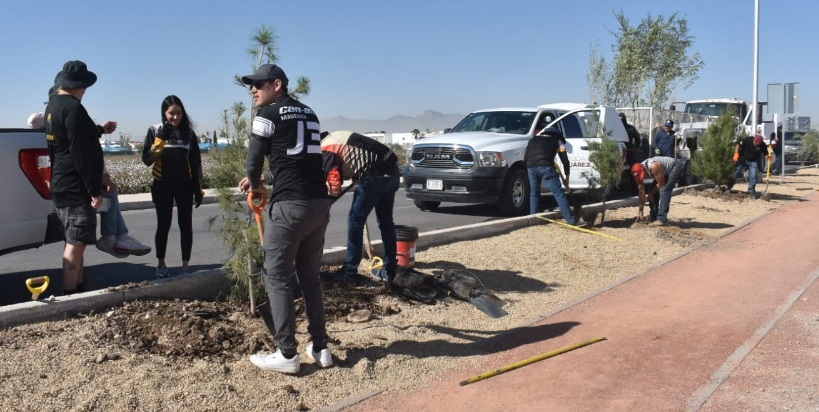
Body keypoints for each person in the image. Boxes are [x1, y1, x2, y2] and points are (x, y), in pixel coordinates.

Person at [238, 64, 333, 374]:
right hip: (318, 205)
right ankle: (321, 348)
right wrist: (266, 178)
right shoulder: (310, 114)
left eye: (258, 84)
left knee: (276, 276)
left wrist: (255, 183)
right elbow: (298, 160)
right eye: (250, 85)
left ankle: (287, 354)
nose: (253, 89)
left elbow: (253, 161)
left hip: (290, 206)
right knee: (310, 278)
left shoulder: (266, 116)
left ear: (277, 84)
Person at [30, 89, 151, 260]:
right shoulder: (60, 115)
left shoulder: (72, 120)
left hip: (70, 183)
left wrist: (99, 129)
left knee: (109, 194)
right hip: (73, 185)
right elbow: (83, 156)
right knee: (75, 244)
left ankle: (118, 236)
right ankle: (112, 238)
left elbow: (93, 153)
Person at [44, 60, 111, 294]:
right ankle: (70, 298)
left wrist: (100, 129)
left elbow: (62, 144)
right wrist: (94, 190)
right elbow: (80, 152)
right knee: (74, 246)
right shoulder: (74, 108)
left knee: (75, 243)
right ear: (82, 85)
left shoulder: (52, 107)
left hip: (61, 183)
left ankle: (78, 289)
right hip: (76, 188)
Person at [320, 130, 400, 286]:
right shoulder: (337, 137)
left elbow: (334, 181)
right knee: (386, 222)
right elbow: (356, 157)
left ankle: (349, 273)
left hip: (375, 175)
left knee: (355, 221)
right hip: (392, 171)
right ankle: (389, 269)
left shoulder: (324, 147)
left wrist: (328, 199)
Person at [141, 96, 204, 278]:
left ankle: (185, 267)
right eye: (171, 114)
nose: (175, 117)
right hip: (162, 186)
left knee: (186, 226)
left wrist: (198, 188)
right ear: (164, 113)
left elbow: (196, 162)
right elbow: (147, 160)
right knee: (163, 225)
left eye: (178, 113)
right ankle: (161, 265)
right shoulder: (155, 130)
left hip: (184, 186)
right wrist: (160, 139)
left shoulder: (189, 134)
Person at [524, 127, 587, 226]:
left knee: (534, 194)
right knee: (559, 194)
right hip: (546, 167)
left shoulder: (533, 139)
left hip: (531, 167)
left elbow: (526, 157)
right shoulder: (557, 140)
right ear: (558, 135)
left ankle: (533, 219)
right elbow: (565, 160)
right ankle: (571, 221)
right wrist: (567, 178)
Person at [631, 156, 689, 226]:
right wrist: (640, 210)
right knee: (651, 190)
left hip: (675, 166)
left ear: (644, 169)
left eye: (643, 176)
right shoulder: (638, 172)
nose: (644, 178)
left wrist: (651, 194)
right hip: (662, 171)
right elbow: (641, 193)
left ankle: (662, 219)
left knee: (665, 189)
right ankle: (654, 215)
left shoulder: (654, 166)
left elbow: (661, 183)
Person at [728, 134, 768, 199]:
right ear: (754, 140)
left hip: (753, 161)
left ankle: (751, 192)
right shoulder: (747, 140)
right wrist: (736, 153)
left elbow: (766, 153)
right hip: (743, 159)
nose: (756, 145)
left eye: (758, 144)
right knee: (736, 172)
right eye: (756, 143)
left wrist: (767, 157)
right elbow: (738, 145)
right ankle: (728, 186)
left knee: (753, 176)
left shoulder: (762, 145)